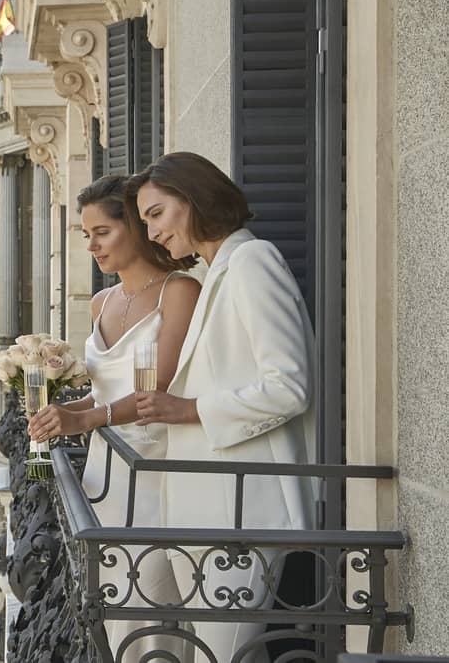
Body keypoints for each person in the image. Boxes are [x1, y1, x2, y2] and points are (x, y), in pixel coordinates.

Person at [126, 152, 317, 663]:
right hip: (210, 517)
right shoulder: (219, 273)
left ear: (193, 198)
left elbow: (290, 386)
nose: (151, 234)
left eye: (156, 214)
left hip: (242, 516)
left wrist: (186, 410)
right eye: (145, 221)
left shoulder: (253, 263)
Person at [29, 174, 200, 661]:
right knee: (111, 615)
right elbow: (106, 392)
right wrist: (63, 413)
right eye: (86, 236)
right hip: (104, 480)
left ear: (137, 228)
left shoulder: (178, 291)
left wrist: (86, 419)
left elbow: (155, 390)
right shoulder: (102, 301)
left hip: (155, 476)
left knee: (152, 616)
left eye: (101, 232)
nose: (92, 246)